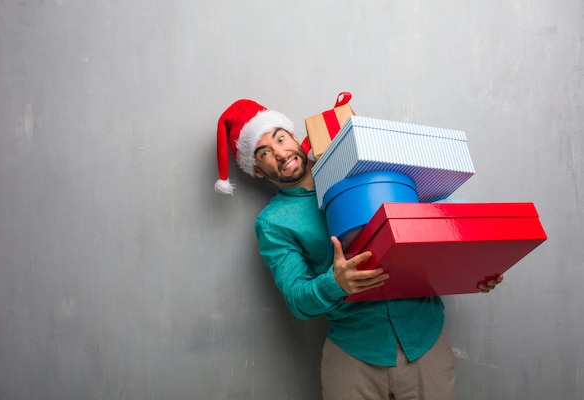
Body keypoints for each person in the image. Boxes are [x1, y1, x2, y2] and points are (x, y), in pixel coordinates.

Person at [214, 99, 502, 400]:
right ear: (258, 170)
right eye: (264, 154)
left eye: (280, 138)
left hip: (425, 341)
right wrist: (334, 284)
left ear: (292, 135)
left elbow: (432, 217)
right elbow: (297, 299)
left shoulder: (358, 161)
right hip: (353, 355)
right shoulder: (273, 223)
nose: (280, 153)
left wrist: (476, 264)